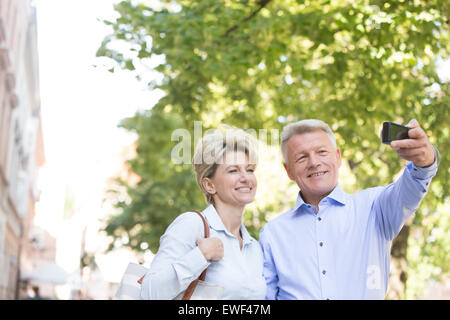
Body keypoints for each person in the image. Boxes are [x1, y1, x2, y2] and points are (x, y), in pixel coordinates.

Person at [259, 119, 439, 300]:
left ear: (338, 157)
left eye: (322, 152)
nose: (314, 162)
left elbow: (413, 185)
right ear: (288, 170)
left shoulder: (375, 207)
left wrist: (425, 161)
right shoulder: (272, 234)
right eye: (302, 157)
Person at [140, 126, 267, 299]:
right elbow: (149, 292)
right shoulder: (192, 225)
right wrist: (200, 255)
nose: (246, 177)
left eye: (250, 169)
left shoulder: (253, 248)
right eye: (233, 170)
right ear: (209, 185)